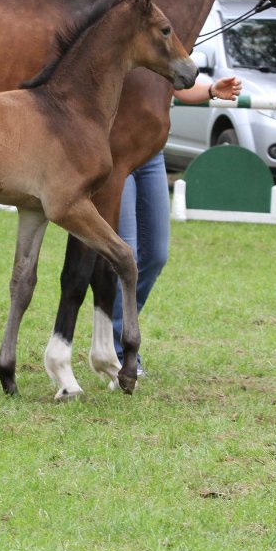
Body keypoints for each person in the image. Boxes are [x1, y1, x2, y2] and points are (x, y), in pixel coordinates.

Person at [112, 73, 242, 372]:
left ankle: (116, 324)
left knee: (157, 255)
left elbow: (182, 84)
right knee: (126, 256)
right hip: (116, 153)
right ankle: (121, 350)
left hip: (152, 155)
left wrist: (211, 89)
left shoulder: (162, 36)